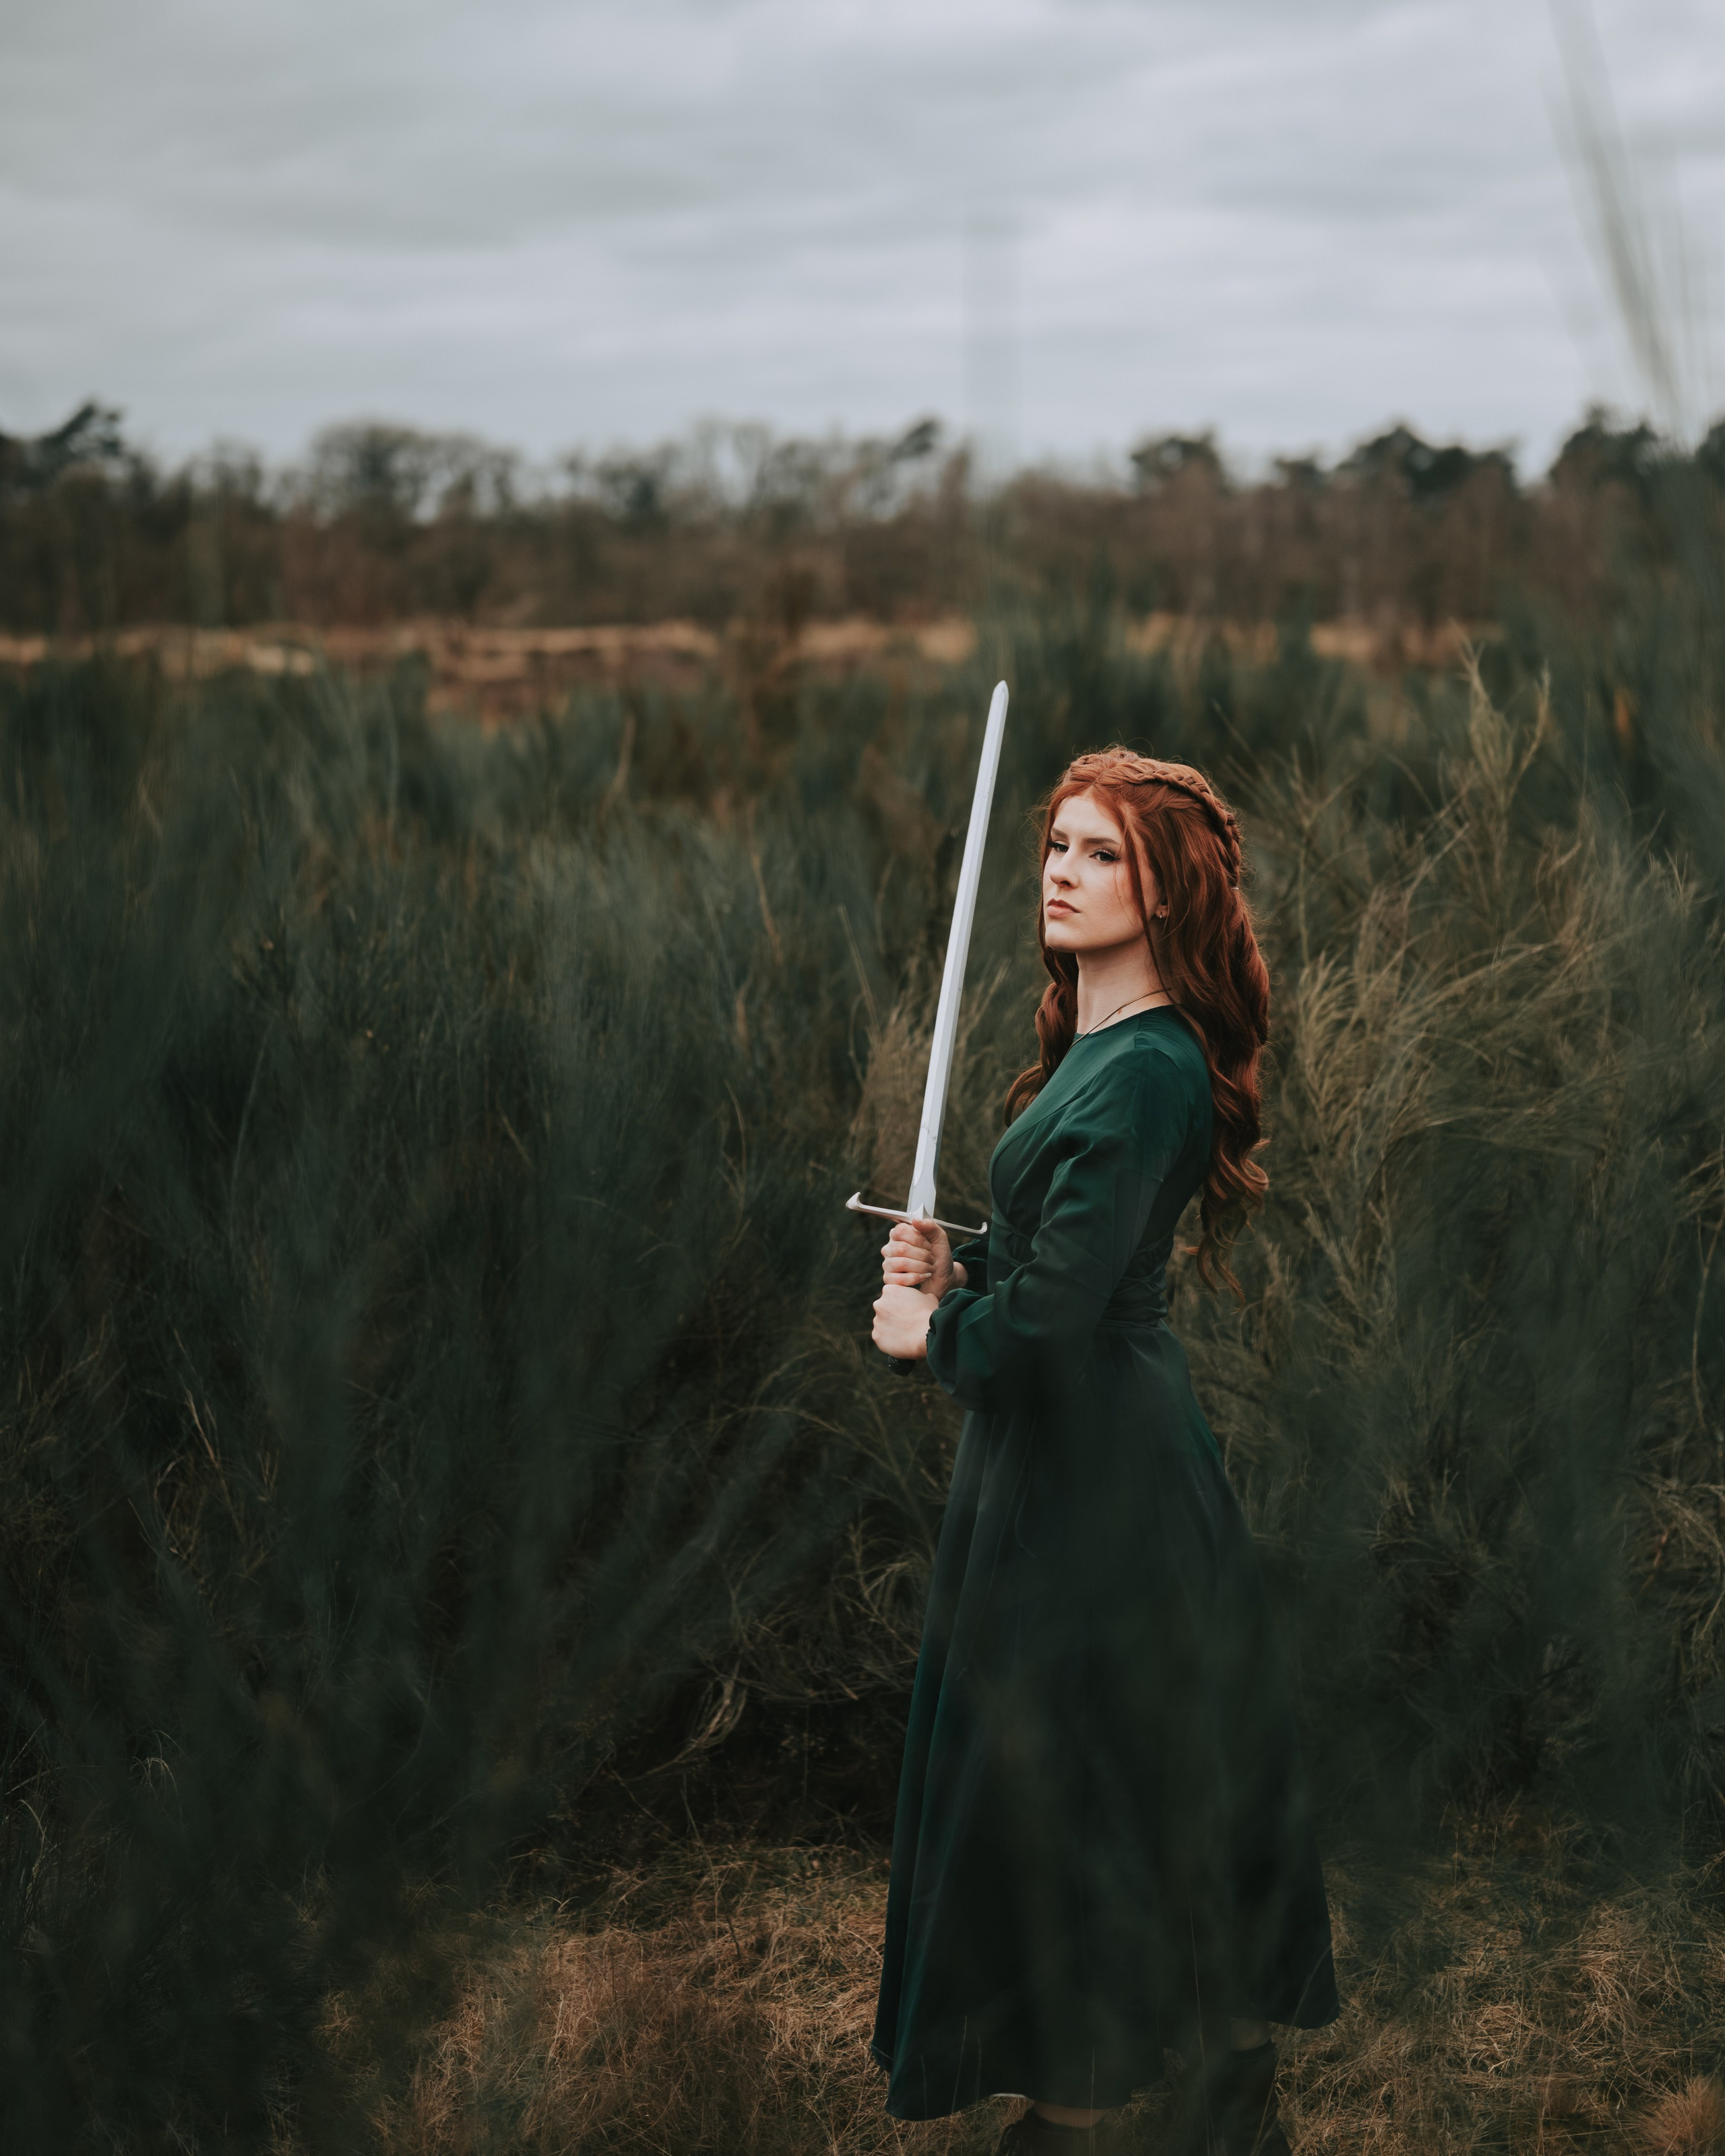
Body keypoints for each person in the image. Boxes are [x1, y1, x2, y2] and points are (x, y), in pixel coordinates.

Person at [867, 749, 1338, 2154]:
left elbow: (1055, 1321)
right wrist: (957, 1263)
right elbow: (1059, 1258)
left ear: (1167, 887)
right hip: (1072, 1459)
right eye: (1053, 846)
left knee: (1075, 1777)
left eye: (1097, 853)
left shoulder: (1144, 1073)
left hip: (1096, 1477)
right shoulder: (1102, 1045)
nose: (1057, 871)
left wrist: (932, 1335)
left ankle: (1114, 2111)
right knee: (1109, 1770)